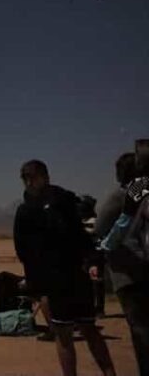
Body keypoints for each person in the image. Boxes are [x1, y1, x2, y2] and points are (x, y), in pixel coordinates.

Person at [13, 159, 115, 376]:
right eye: (27, 179)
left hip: (68, 275)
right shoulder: (29, 209)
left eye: (32, 178)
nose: (30, 183)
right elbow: (25, 251)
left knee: (74, 332)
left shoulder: (61, 201)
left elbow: (79, 237)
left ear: (42, 177)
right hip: (60, 277)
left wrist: (92, 260)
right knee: (73, 332)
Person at [98, 145, 149, 376]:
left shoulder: (128, 192)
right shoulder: (140, 189)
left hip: (131, 272)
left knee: (141, 331)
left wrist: (107, 246)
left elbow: (106, 227)